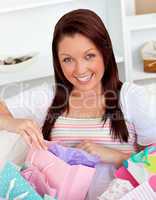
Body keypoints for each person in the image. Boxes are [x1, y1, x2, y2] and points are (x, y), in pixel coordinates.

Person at [0, 9, 156, 168]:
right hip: (58, 194)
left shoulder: (131, 97)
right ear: (58, 62)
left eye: (89, 56)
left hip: (123, 193)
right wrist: (10, 123)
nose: (80, 70)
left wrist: (115, 156)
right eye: (68, 60)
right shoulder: (48, 96)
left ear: (105, 52)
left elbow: (152, 164)